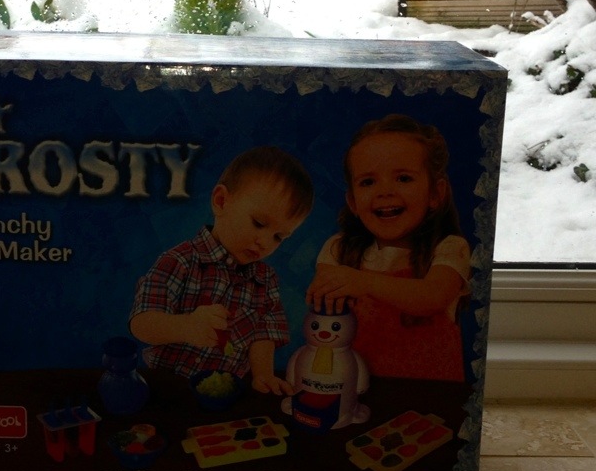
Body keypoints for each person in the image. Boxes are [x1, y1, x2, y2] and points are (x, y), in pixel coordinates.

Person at [130, 146, 314, 395]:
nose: (264, 242)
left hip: (227, 391)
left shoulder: (265, 279)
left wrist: (263, 375)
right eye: (259, 223)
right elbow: (141, 323)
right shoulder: (178, 261)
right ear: (221, 201)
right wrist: (186, 326)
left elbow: (263, 333)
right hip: (168, 389)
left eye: (278, 237)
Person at [306, 114, 470, 382]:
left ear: (435, 194)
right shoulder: (338, 248)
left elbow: (432, 297)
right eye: (368, 182)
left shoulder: (450, 248)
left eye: (403, 178)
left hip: (431, 392)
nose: (385, 191)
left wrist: (362, 282)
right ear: (353, 201)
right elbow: (323, 305)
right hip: (355, 387)